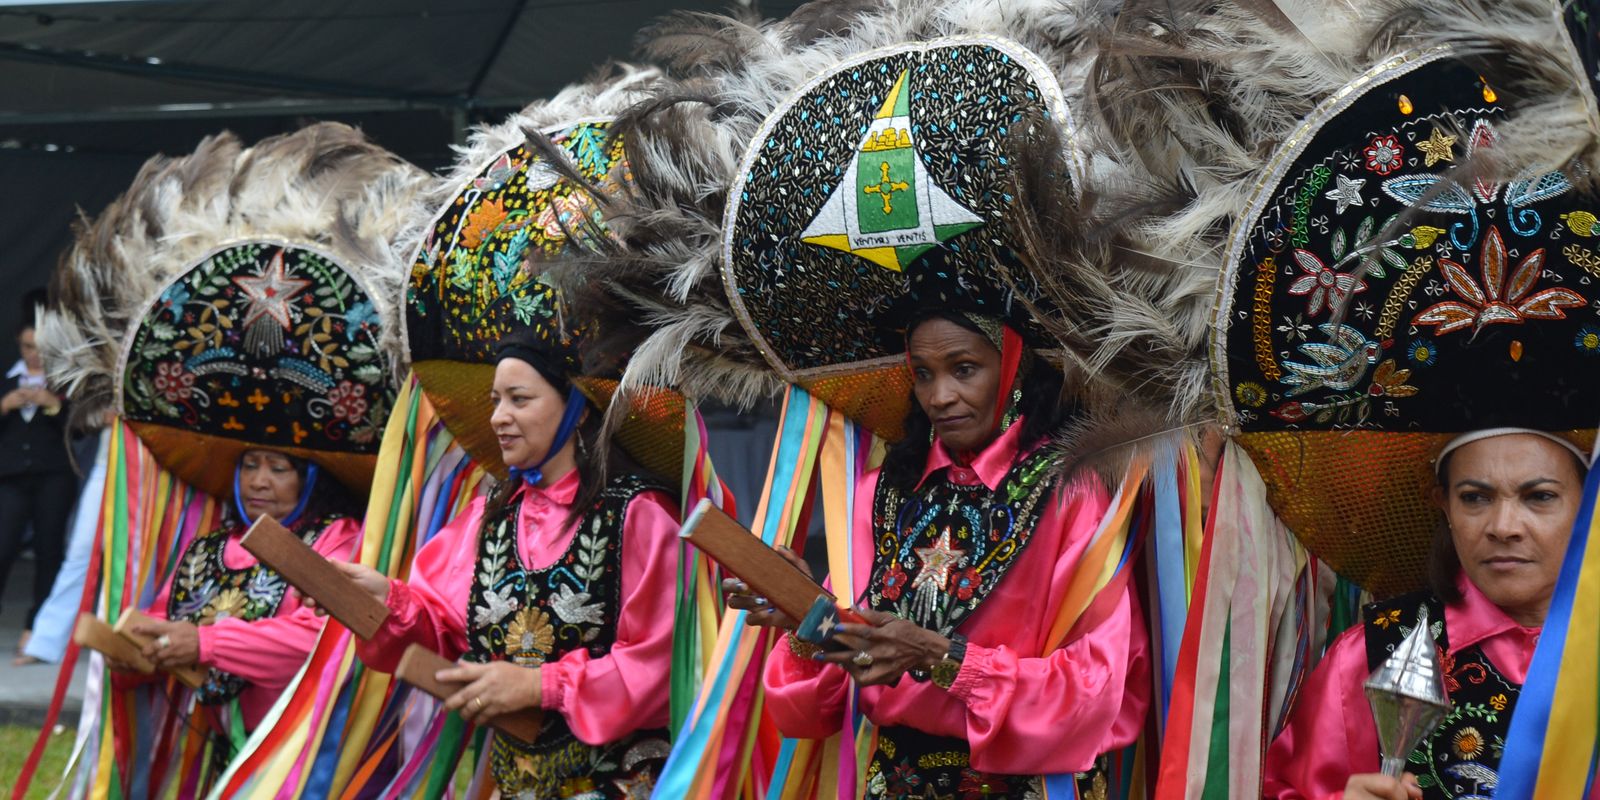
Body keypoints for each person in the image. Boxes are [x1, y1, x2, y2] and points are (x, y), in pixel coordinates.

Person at [729, 310, 1150, 796]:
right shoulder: (882, 492)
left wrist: (943, 656)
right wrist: (804, 613)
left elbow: (1096, 691)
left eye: (964, 368)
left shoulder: (1070, 493)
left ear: (1014, 368)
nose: (939, 397)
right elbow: (816, 707)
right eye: (923, 374)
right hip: (895, 779)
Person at [343, 328, 682, 799]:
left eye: (518, 399)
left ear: (577, 408)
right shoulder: (490, 517)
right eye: (495, 400)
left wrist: (542, 686)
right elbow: (442, 632)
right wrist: (386, 603)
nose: (499, 417)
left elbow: (665, 662)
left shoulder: (639, 514)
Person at [1263, 429, 1587, 800]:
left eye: (1540, 496)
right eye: (1475, 498)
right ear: (1444, 505)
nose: (1504, 527)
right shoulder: (1372, 656)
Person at [112, 448, 361, 731]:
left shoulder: (338, 537)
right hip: (227, 740)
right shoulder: (213, 547)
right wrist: (136, 649)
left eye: (278, 469)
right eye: (249, 466)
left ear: (311, 480)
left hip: (307, 738)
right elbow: (166, 619)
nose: (258, 481)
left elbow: (326, 637)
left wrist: (207, 643)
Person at [0, 321, 75, 657]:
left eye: (40, 348)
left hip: (54, 475)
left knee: (49, 550)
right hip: (11, 475)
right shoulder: (7, 374)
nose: (33, 355)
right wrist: (5, 406)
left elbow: (84, 427)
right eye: (27, 347)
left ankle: (37, 627)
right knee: (3, 546)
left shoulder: (66, 378)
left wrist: (53, 404)